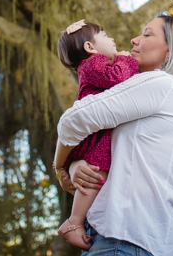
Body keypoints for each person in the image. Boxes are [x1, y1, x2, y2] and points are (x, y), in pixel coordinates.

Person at [55, 14, 173, 256]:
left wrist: (60, 166)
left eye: (147, 34)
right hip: (133, 238)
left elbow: (73, 120)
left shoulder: (161, 84)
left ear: (171, 50)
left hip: (124, 238)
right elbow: (108, 146)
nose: (133, 40)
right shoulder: (163, 91)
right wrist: (78, 163)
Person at [53, 19, 140, 250]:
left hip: (95, 133)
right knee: (95, 172)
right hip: (95, 136)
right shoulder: (94, 63)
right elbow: (116, 78)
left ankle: (76, 220)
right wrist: (126, 59)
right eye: (105, 35)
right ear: (90, 48)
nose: (112, 40)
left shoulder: (93, 64)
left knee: (95, 172)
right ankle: (74, 221)